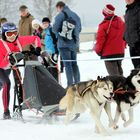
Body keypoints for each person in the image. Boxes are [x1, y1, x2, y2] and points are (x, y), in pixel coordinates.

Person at [0, 22, 41, 119]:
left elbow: (36, 38)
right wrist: (9, 60)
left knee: (17, 83)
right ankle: (6, 111)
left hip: (10, 66)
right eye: (9, 34)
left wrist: (38, 48)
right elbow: (1, 63)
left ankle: (21, 105)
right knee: (6, 83)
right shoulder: (1, 44)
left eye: (14, 33)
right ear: (3, 34)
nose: (12, 36)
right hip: (1, 66)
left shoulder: (19, 40)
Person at [52, 1, 81, 86]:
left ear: (59, 7)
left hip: (63, 44)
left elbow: (54, 29)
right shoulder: (75, 15)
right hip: (74, 44)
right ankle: (78, 83)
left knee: (67, 65)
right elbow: (79, 29)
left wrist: (59, 35)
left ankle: (70, 85)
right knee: (74, 64)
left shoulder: (60, 15)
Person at [95, 4, 126, 76]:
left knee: (114, 77)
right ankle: (123, 86)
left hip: (109, 54)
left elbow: (100, 39)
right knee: (120, 73)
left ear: (105, 12)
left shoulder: (104, 24)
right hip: (120, 52)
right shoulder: (121, 22)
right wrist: (123, 46)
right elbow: (124, 35)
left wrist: (98, 51)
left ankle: (119, 87)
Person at [124, 0, 140, 68]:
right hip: (132, 45)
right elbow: (129, 26)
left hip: (138, 43)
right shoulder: (128, 10)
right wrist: (125, 36)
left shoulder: (138, 8)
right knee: (136, 69)